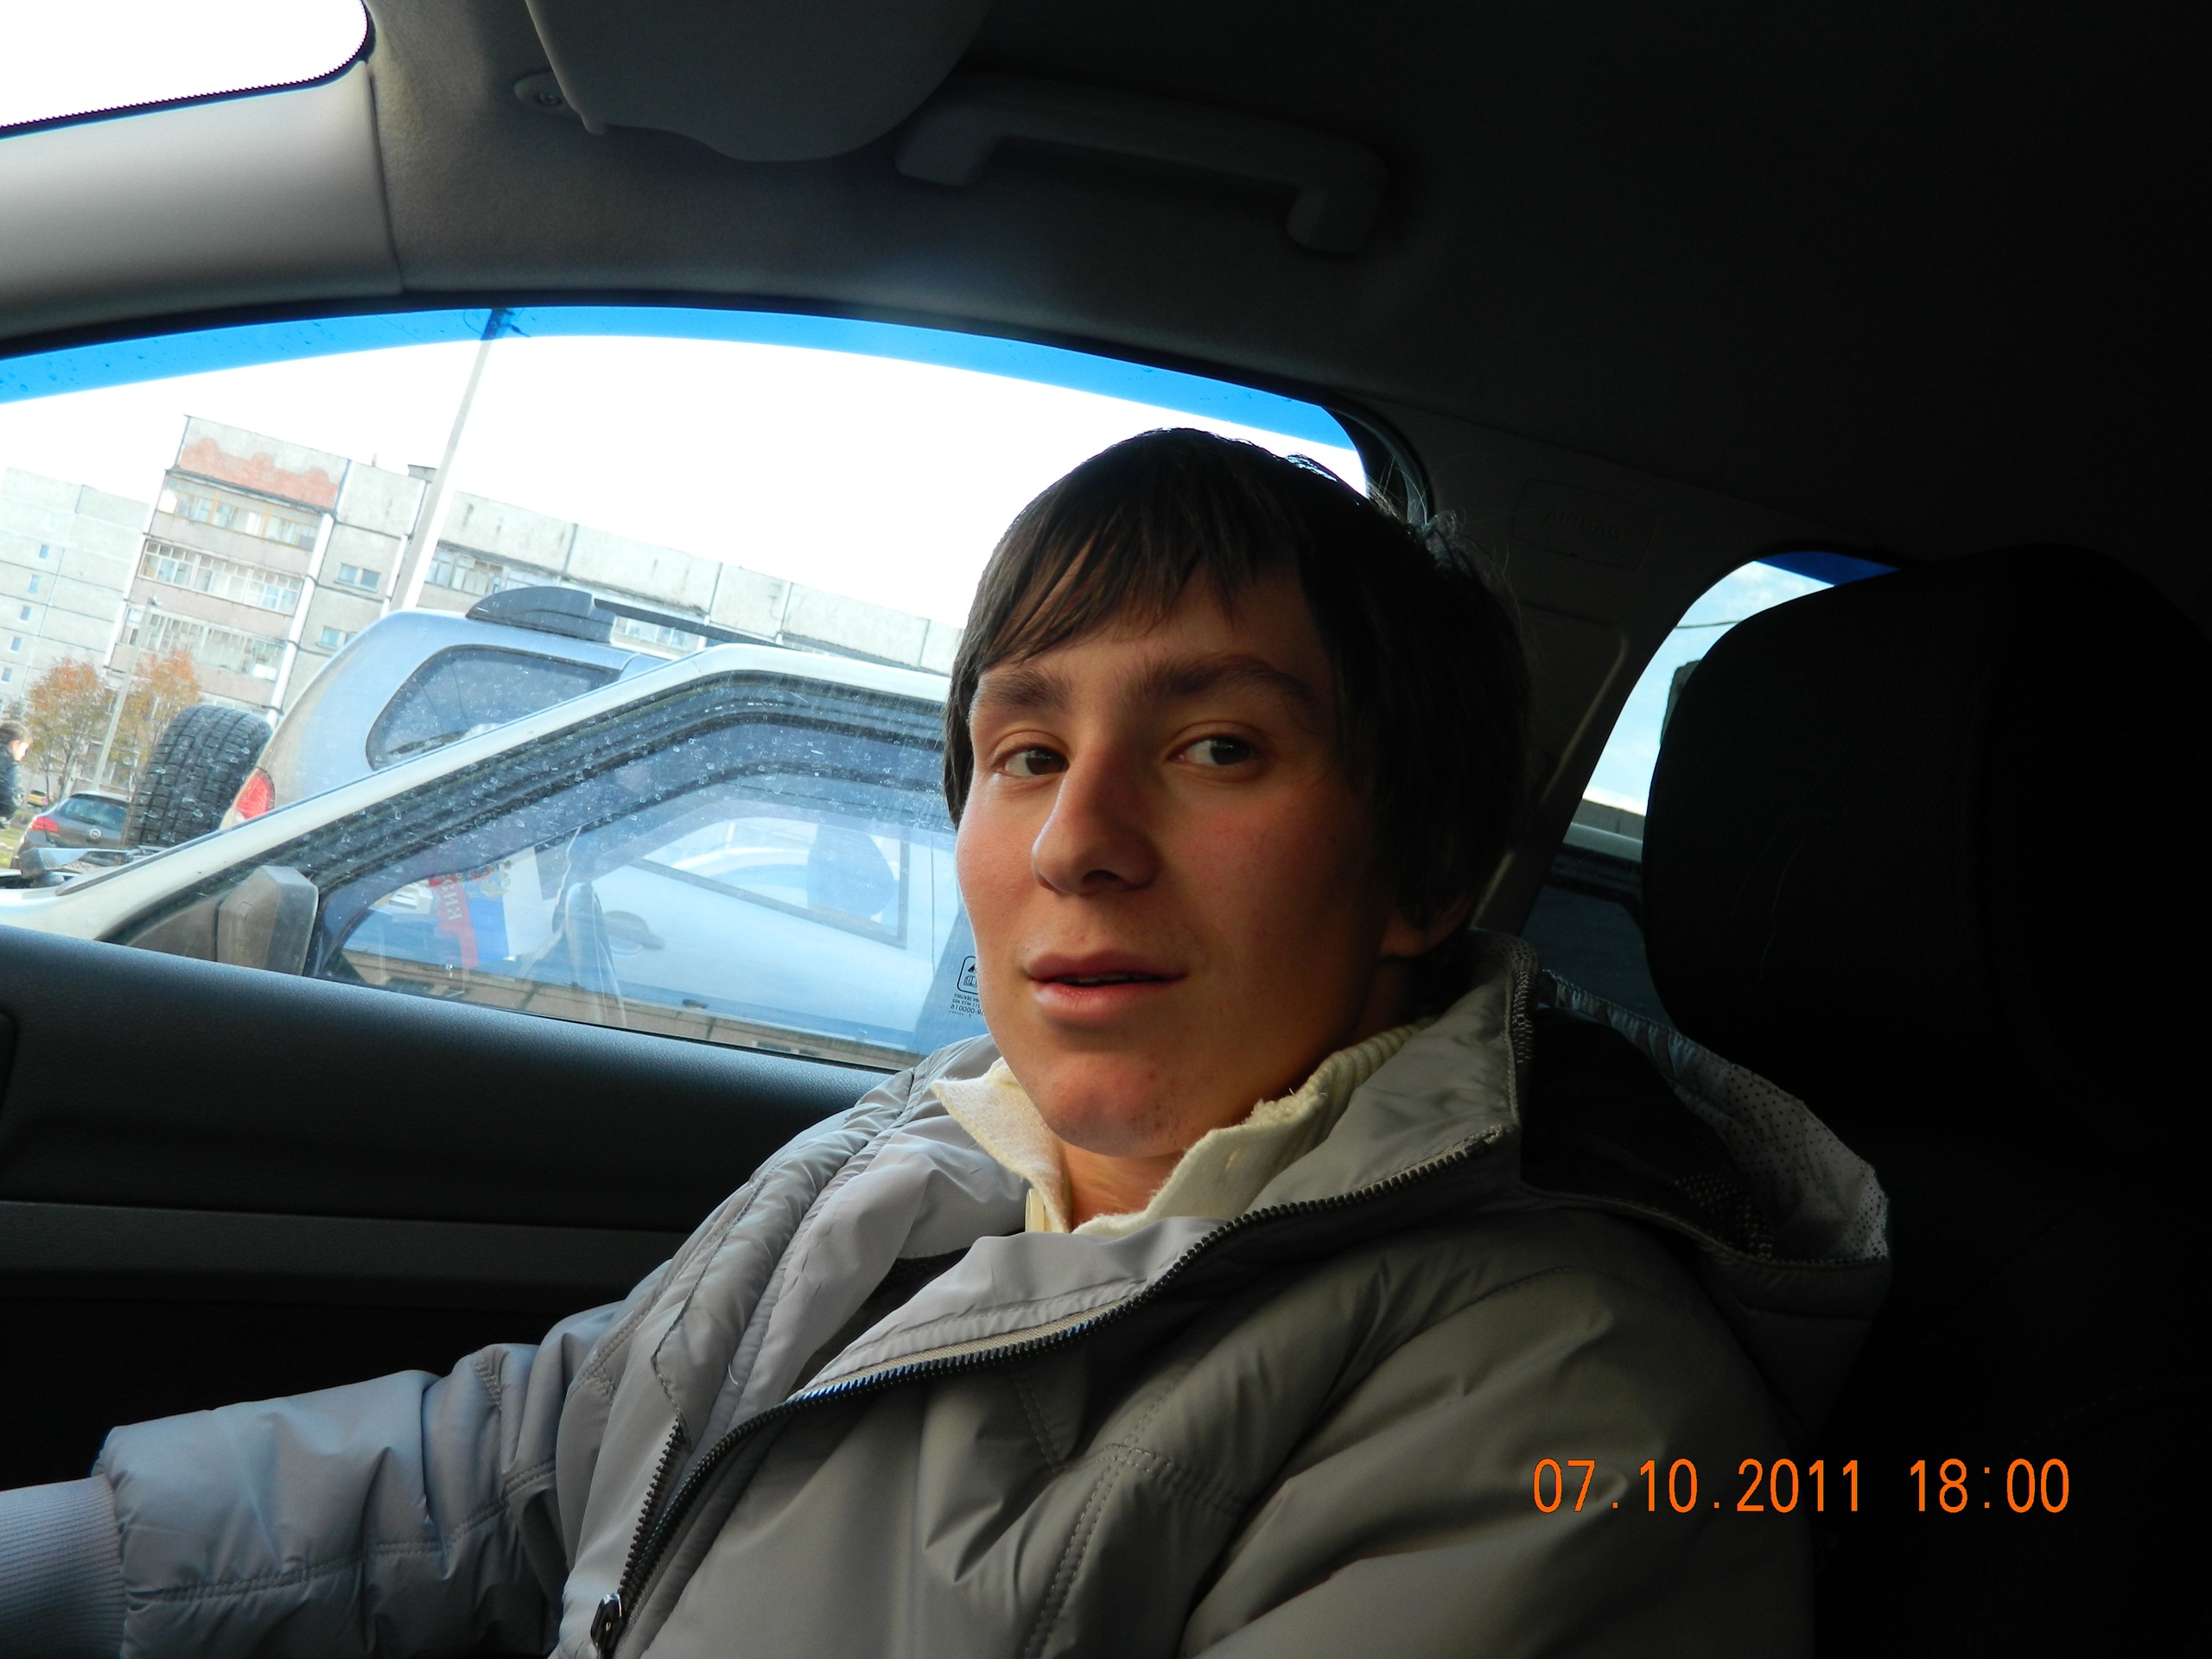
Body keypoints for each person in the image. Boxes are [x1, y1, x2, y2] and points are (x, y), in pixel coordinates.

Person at [0, 431, 1887, 1658]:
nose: (1076, 840)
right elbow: (525, 1462)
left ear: (1424, 866)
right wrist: (62, 1565)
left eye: (1216, 746)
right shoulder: (909, 1163)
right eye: (1025, 750)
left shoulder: (1566, 1421)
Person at [0, 720, 27, 823]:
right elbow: (11, 801)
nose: (24, 754)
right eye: (24, 749)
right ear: (15, 745)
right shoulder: (9, 766)